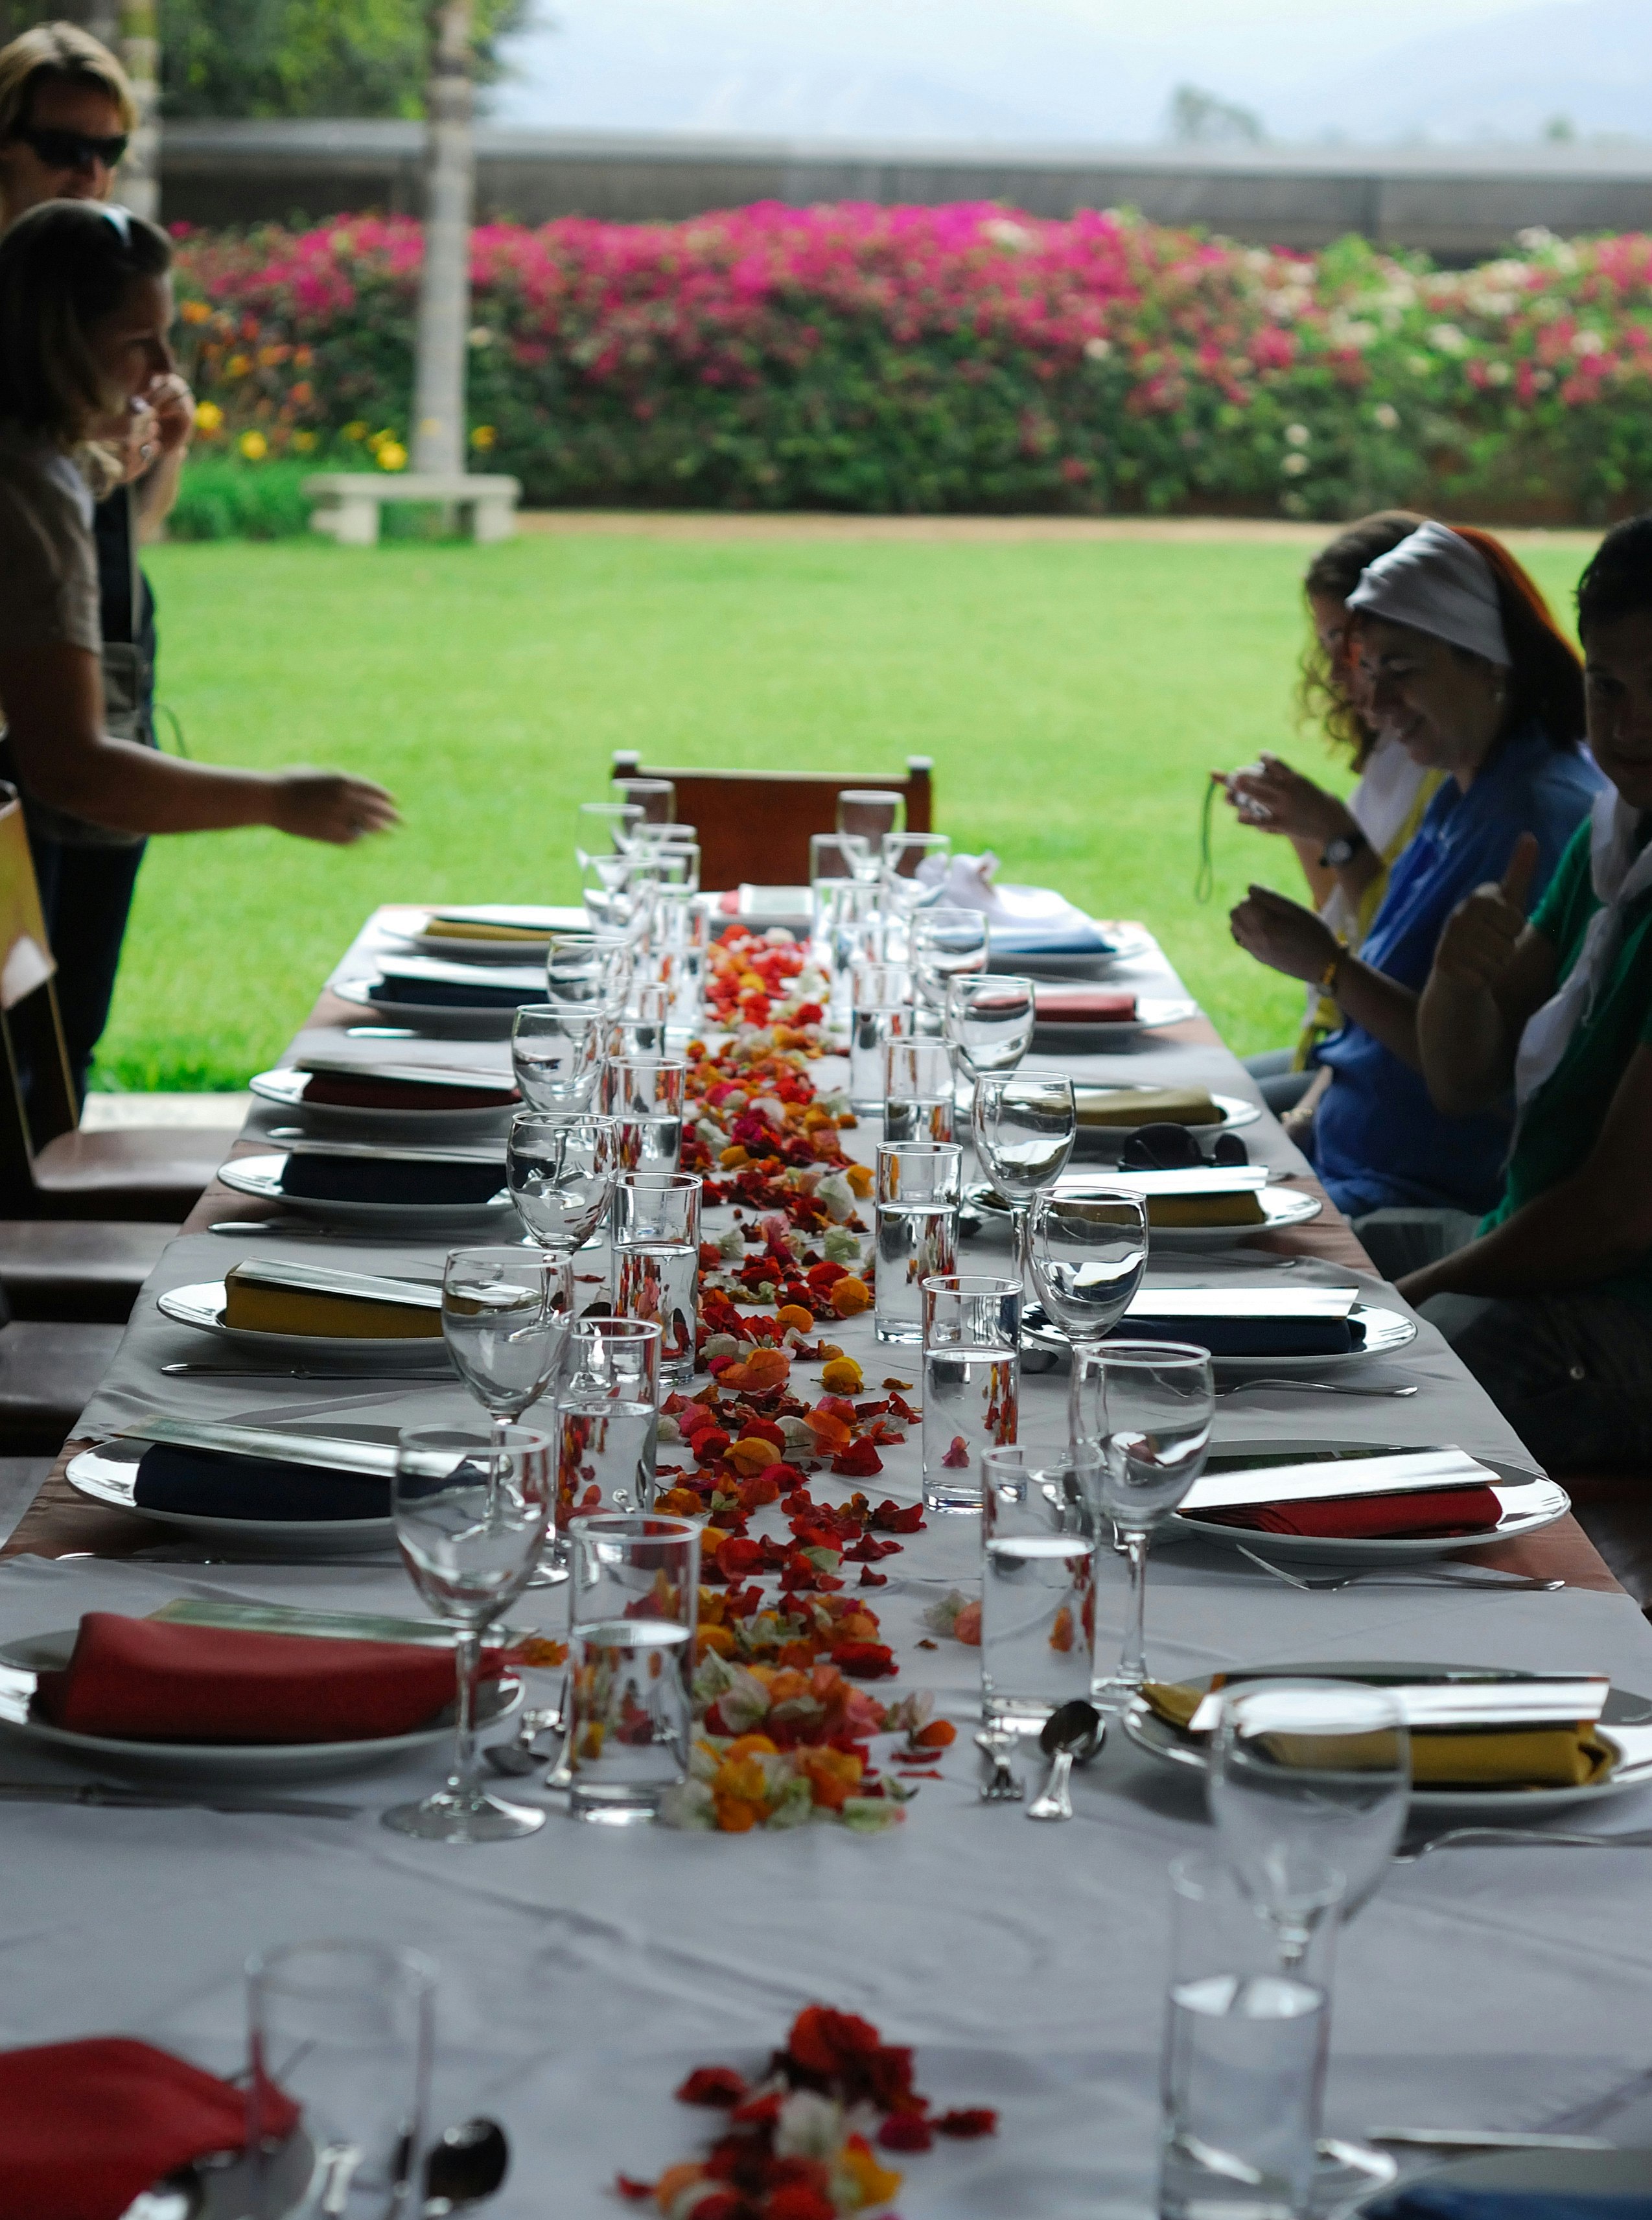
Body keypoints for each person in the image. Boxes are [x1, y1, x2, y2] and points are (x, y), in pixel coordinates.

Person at [0, 198, 398, 1109]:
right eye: (139, 339)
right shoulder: (28, 484)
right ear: (61, 338)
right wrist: (278, 799)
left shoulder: (46, 465)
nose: (164, 368)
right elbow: (69, 764)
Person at [1377, 516, 1652, 1470]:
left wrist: (1421, 1291)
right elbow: (1464, 1078)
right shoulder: (1614, 838)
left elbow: (1617, 1219)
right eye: (1608, 687)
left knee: (1405, 1366)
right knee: (1331, 1254)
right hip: (1534, 1249)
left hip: (1624, 1313)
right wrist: (1458, 980)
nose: (1630, 730)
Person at [1228, 520, 1601, 1224]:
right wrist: (1305, 1122)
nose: (1374, 702)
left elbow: (1472, 1073)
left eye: (1401, 671)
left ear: (1488, 662)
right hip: (1355, 1163)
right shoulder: (1466, 787)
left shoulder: (1527, 816)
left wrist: (1327, 965)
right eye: (1368, 672)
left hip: (1417, 1198)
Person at [0, 23, 200, 1097]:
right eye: (65, 147)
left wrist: (146, 455)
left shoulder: (110, 292)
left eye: (107, 150)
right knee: (27, 1041)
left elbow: (131, 525)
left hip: (112, 666)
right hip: (42, 717)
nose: (92, 173)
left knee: (71, 1027)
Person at [1215, 510, 1436, 1117]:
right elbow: (1344, 915)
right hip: (1339, 1039)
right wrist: (1303, 826)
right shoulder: (1396, 752)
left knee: (1198, 1111)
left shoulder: (1438, 763)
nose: (1343, 669)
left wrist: (1335, 832)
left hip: (1372, 1061)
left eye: (1353, 639)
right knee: (1190, 1091)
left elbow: (1393, 944)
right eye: (1327, 643)